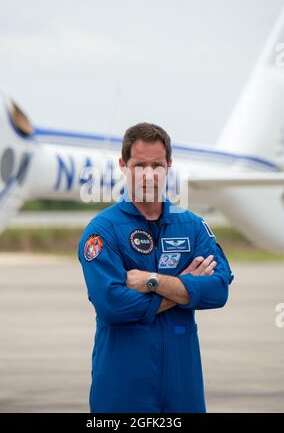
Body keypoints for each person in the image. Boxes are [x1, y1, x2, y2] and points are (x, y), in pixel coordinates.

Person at [78, 122, 234, 413]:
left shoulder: (192, 226)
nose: (149, 175)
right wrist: (185, 288)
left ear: (169, 166)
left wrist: (152, 281)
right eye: (139, 166)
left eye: (157, 166)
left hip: (183, 384)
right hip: (122, 382)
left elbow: (218, 291)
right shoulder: (103, 230)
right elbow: (113, 305)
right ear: (123, 165)